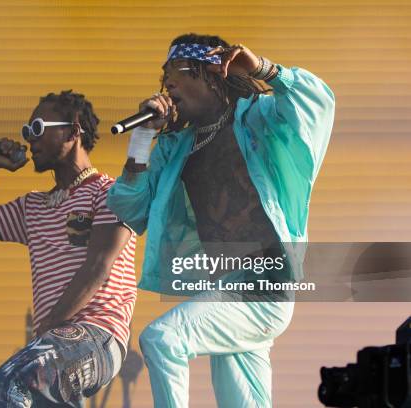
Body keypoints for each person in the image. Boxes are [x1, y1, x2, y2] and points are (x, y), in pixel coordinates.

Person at [107, 33, 335, 407]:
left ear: (214, 74)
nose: (169, 84)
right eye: (165, 77)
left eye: (180, 72)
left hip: (265, 281)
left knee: (163, 338)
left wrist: (263, 67)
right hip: (222, 286)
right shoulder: (175, 146)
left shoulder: (257, 118)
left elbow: (316, 103)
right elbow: (129, 209)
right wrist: (143, 135)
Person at [0, 90, 136, 407]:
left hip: (96, 335)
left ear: (73, 129)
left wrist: (47, 329)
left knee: (9, 381)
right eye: (27, 133)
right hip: (53, 342)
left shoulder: (110, 192)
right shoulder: (34, 206)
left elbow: (97, 269)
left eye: (37, 128)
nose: (30, 140)